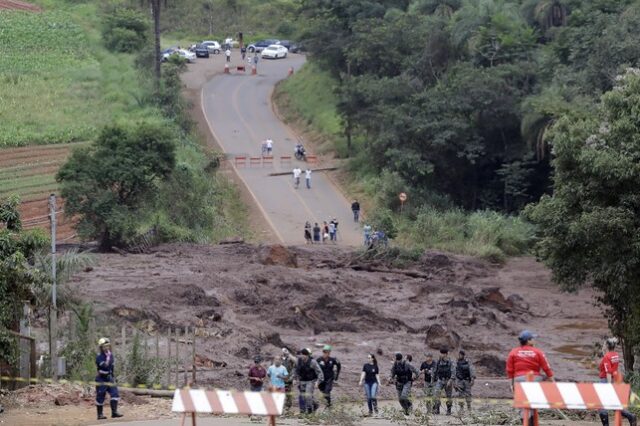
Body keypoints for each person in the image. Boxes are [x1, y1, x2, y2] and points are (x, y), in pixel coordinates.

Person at [506, 330, 554, 425]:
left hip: (519, 380)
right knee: (532, 403)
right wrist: (552, 381)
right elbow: (546, 367)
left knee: (522, 404)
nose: (534, 340)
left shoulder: (513, 352)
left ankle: (524, 421)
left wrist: (511, 384)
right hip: (534, 380)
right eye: (533, 339)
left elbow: (509, 370)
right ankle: (531, 422)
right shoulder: (537, 352)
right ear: (528, 341)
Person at [598, 338, 637, 426]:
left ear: (607, 346)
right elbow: (614, 369)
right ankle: (631, 416)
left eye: (604, 344)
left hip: (605, 381)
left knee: (601, 406)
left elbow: (608, 372)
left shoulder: (606, 357)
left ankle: (607, 424)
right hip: (613, 379)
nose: (603, 346)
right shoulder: (615, 355)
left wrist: (608, 387)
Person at [95, 338, 123, 420]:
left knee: (115, 393)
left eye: (107, 346)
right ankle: (100, 415)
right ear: (101, 347)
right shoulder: (99, 357)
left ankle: (114, 412)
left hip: (109, 378)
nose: (106, 348)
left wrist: (113, 376)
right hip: (101, 379)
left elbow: (112, 367)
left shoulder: (111, 355)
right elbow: (104, 366)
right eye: (104, 346)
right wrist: (107, 359)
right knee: (100, 396)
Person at [294, 348, 324, 415]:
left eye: (303, 355)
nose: (301, 356)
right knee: (304, 396)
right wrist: (294, 379)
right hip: (302, 381)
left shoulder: (312, 362)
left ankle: (310, 411)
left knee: (308, 395)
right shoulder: (298, 361)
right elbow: (295, 370)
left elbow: (319, 372)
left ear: (307, 355)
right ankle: (315, 405)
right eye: (301, 355)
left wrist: (318, 382)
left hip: (310, 381)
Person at [433, 347, 454, 415]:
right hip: (440, 380)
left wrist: (450, 380)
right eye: (441, 353)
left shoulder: (450, 362)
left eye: (442, 353)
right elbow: (435, 370)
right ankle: (437, 409)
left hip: (448, 380)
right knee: (436, 394)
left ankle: (448, 410)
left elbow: (453, 372)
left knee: (448, 396)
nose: (441, 355)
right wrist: (433, 379)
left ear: (446, 354)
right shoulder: (438, 361)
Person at [281, 348, 298, 413]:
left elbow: (296, 362)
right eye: (283, 351)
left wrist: (289, 354)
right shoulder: (279, 359)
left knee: (288, 393)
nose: (284, 352)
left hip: (288, 378)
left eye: (285, 351)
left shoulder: (290, 359)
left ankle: (287, 408)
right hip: (280, 378)